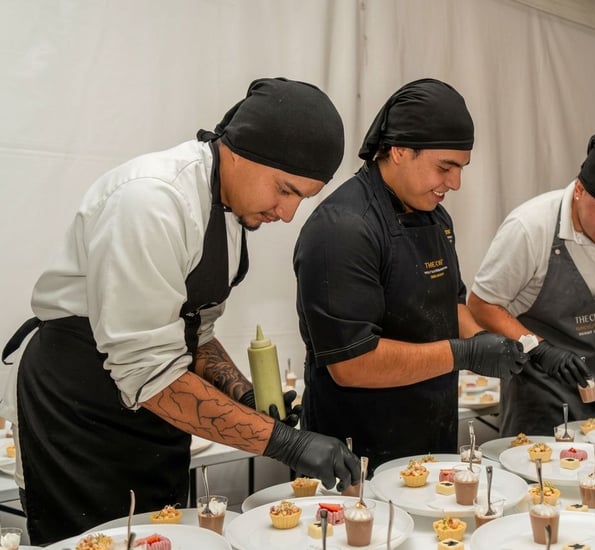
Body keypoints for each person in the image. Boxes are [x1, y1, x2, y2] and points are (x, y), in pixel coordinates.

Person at [1, 78, 360, 545]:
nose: (287, 214)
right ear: (243, 150)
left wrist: (246, 398)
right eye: (285, 190)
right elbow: (149, 373)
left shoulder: (231, 213)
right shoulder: (152, 201)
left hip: (157, 412)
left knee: (164, 535)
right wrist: (287, 443)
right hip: (78, 412)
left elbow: (196, 336)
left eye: (301, 199)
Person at [293, 78, 527, 472]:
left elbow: (449, 306)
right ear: (399, 150)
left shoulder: (436, 218)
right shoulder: (344, 228)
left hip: (432, 437)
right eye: (445, 167)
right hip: (354, 454)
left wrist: (494, 343)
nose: (455, 183)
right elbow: (352, 364)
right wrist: (464, 353)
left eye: (461, 168)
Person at [468, 128, 595, 436]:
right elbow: (481, 305)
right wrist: (540, 349)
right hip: (537, 393)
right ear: (579, 190)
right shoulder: (530, 228)